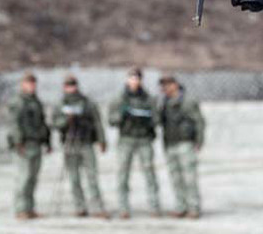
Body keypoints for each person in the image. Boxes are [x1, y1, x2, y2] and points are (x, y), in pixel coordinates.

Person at [52, 75, 109, 219]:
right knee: (74, 178)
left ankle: (97, 206)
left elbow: (97, 122)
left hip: (86, 142)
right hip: (70, 143)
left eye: (73, 85)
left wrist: (101, 140)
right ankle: (80, 206)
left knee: (92, 176)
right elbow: (55, 124)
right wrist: (67, 119)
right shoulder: (60, 104)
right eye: (68, 85)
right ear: (64, 87)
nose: (71, 88)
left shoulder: (87, 103)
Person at [108, 67, 161, 219]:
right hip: (126, 139)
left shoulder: (148, 99)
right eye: (131, 78)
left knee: (149, 173)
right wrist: (122, 115)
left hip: (144, 139)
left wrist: (146, 119)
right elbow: (111, 120)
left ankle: (154, 206)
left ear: (140, 80)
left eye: (137, 78)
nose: (134, 81)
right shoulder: (120, 98)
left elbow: (156, 119)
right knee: (123, 174)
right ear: (127, 79)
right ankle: (123, 207)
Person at [159, 75, 205, 219]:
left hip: (185, 143)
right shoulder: (164, 103)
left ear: (175, 85)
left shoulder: (188, 101)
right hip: (170, 144)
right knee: (175, 178)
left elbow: (199, 121)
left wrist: (199, 141)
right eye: (162, 87)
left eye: (167, 86)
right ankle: (181, 206)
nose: (164, 89)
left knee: (190, 178)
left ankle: (194, 207)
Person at [7, 72, 51, 220]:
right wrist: (18, 142)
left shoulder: (35, 101)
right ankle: (20, 209)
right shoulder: (18, 101)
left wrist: (47, 141)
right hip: (24, 145)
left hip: (36, 143)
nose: (32, 86)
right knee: (23, 178)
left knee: (33, 178)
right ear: (22, 84)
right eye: (29, 83)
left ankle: (30, 208)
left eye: (33, 83)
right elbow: (14, 124)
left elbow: (42, 123)